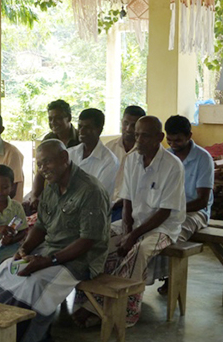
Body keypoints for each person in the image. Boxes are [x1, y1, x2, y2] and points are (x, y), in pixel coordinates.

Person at [0, 139, 110, 342]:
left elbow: (87, 241)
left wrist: (48, 261)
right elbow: (40, 227)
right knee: (7, 269)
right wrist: (24, 250)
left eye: (47, 162)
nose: (43, 169)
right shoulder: (52, 188)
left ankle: (10, 339)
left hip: (80, 261)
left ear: (64, 158)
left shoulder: (90, 190)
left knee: (33, 283)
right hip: (50, 252)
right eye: (39, 164)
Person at [72, 116, 185, 328]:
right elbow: (127, 200)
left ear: (160, 138)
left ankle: (121, 311)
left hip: (163, 228)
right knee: (98, 239)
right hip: (134, 224)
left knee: (139, 251)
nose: (138, 140)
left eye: (145, 135)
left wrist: (132, 236)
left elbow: (164, 212)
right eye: (136, 135)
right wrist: (126, 229)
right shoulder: (132, 159)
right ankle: (88, 301)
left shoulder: (173, 166)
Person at [151, 115, 215, 294]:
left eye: (178, 139)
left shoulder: (203, 158)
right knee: (148, 228)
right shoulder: (166, 156)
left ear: (189, 135)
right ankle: (151, 274)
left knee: (173, 235)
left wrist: (173, 210)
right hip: (169, 208)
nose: (173, 144)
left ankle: (173, 279)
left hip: (196, 211)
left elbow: (202, 200)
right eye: (169, 140)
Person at [24, 99, 79, 213]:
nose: (53, 122)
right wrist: (34, 195)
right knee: (25, 206)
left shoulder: (79, 140)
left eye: (58, 118)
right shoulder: (48, 139)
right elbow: (41, 171)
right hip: (49, 189)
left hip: (73, 193)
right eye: (50, 119)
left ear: (68, 118)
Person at [105, 105, 146, 221]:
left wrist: (117, 203)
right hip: (105, 203)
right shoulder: (109, 147)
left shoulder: (146, 153)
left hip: (130, 205)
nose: (128, 128)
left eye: (133, 125)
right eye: (125, 123)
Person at [67, 108, 119, 197]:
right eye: (80, 126)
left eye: (87, 127)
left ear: (99, 129)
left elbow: (97, 195)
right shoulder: (69, 154)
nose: (81, 131)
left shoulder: (110, 161)